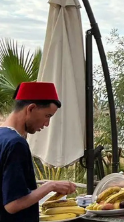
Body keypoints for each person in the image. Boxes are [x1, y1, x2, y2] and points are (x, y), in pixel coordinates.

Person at [1, 82, 77, 221]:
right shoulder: (16, 144)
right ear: (31, 108)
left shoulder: (2, 138)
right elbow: (13, 204)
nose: (47, 124)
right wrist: (51, 186)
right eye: (47, 116)